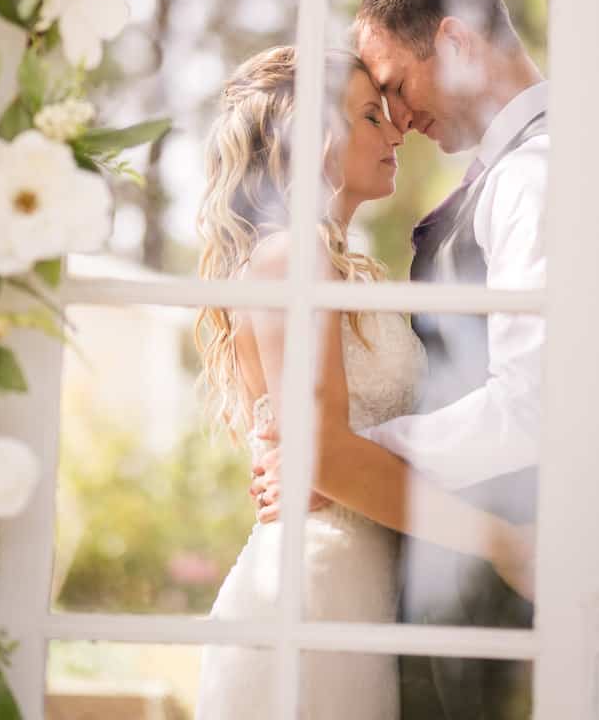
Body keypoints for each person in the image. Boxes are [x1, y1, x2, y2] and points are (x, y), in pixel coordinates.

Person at [194, 44, 535, 720]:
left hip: (359, 589)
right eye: (370, 116)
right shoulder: (290, 256)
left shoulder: (341, 267)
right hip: (311, 594)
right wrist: (502, 543)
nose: (396, 130)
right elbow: (327, 458)